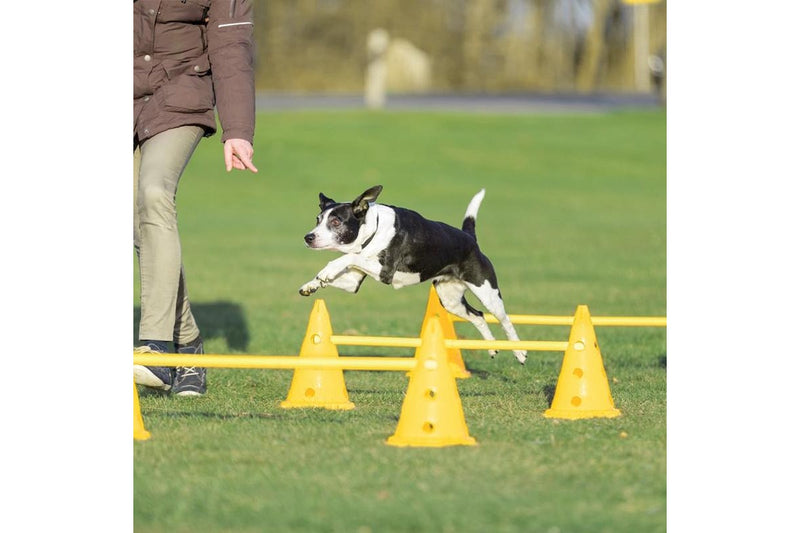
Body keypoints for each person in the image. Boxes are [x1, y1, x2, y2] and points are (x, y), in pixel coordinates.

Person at [133, 0, 257, 396]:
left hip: (179, 96)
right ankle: (188, 344)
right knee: (137, 227)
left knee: (154, 193)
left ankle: (155, 349)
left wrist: (237, 128)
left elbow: (230, 45)